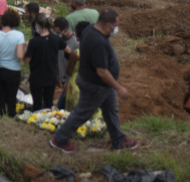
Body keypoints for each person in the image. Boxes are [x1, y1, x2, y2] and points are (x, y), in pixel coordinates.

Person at [50, 10, 139, 154]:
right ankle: (59, 140)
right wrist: (119, 87)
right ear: (108, 24)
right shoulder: (98, 42)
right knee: (82, 113)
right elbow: (102, 71)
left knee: (111, 111)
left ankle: (118, 140)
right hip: (95, 84)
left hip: (101, 84)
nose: (116, 29)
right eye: (116, 26)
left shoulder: (89, 30)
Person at [24, 15, 72, 111]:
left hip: (37, 76)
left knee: (37, 103)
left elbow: (26, 61)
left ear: (37, 25)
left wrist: (25, 48)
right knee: (48, 103)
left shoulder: (33, 42)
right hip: (51, 75)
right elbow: (69, 51)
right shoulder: (56, 39)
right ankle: (47, 121)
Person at [53, 17, 80, 110]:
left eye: (58, 33)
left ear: (65, 30)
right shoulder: (57, 41)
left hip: (71, 80)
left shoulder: (76, 43)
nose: (57, 35)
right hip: (62, 78)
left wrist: (69, 80)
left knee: (62, 105)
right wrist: (57, 75)